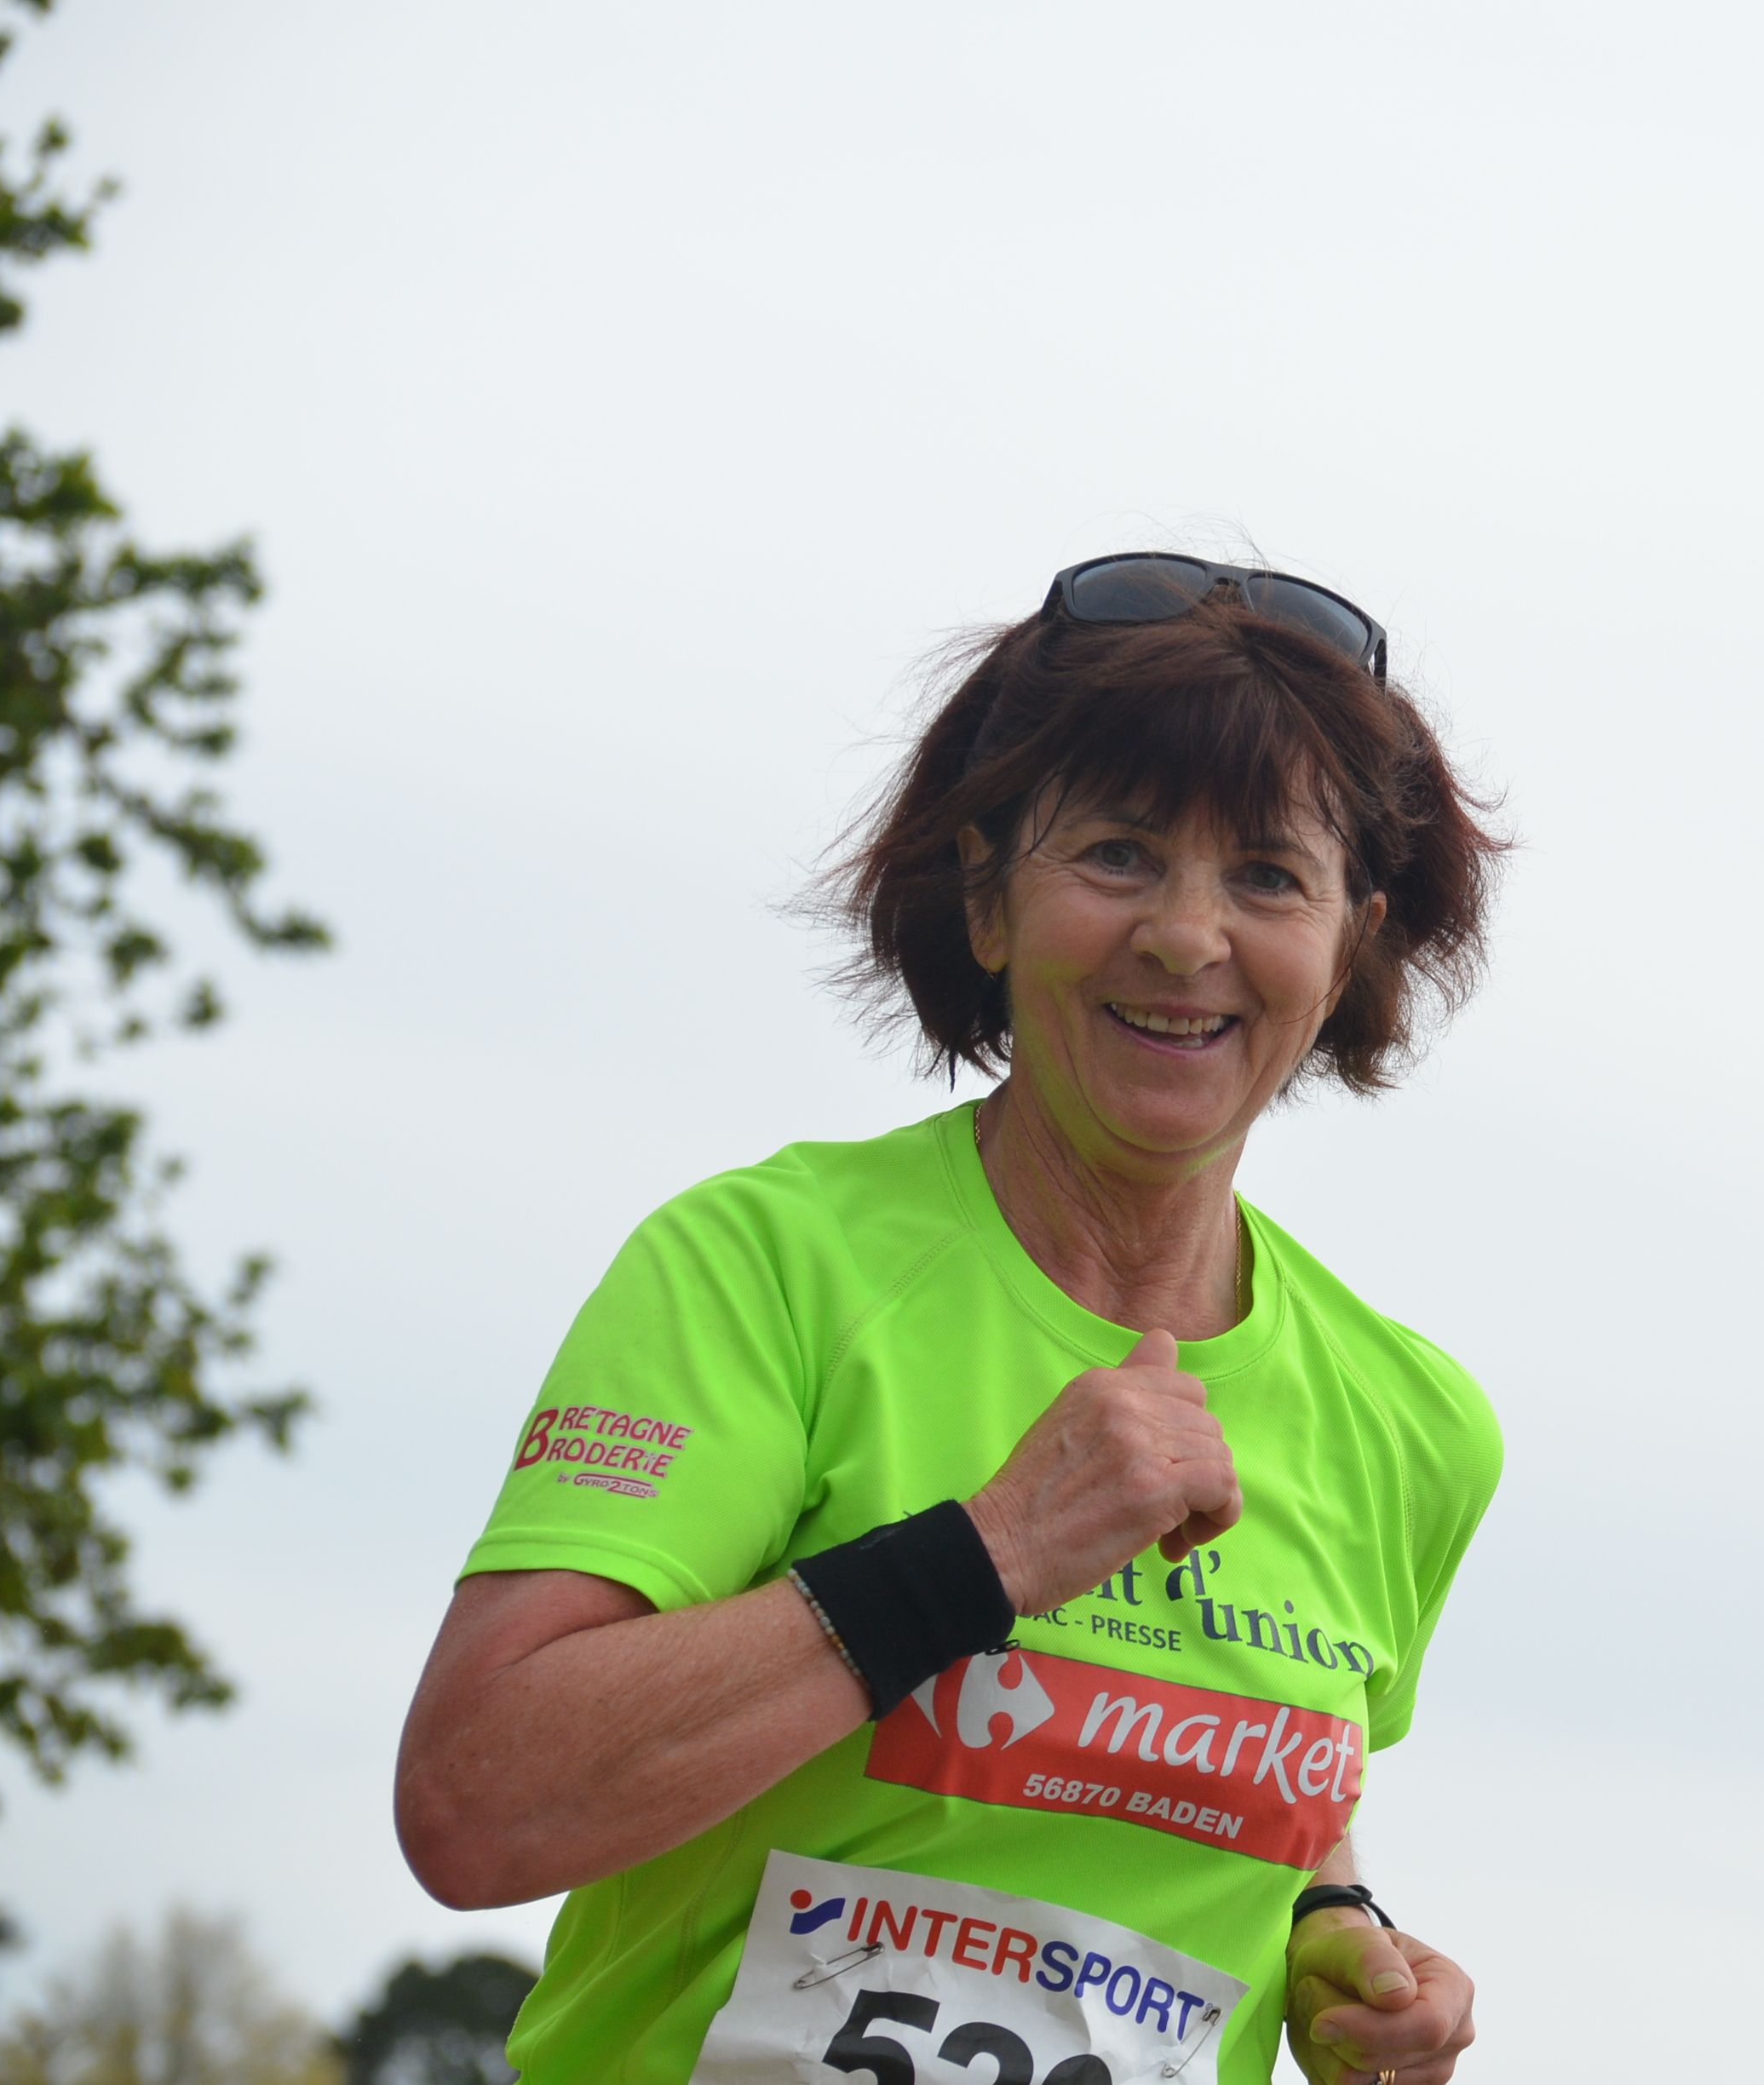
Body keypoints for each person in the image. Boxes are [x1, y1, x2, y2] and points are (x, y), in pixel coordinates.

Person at [394, 554, 1506, 2085]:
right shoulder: (768, 1267)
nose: (1188, 937)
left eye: (1268, 876)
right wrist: (989, 1553)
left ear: (1350, 944)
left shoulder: (1415, 1425)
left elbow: (1268, 1786)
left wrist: (1337, 1926)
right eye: (1118, 854)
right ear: (987, 896)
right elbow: (476, 1805)